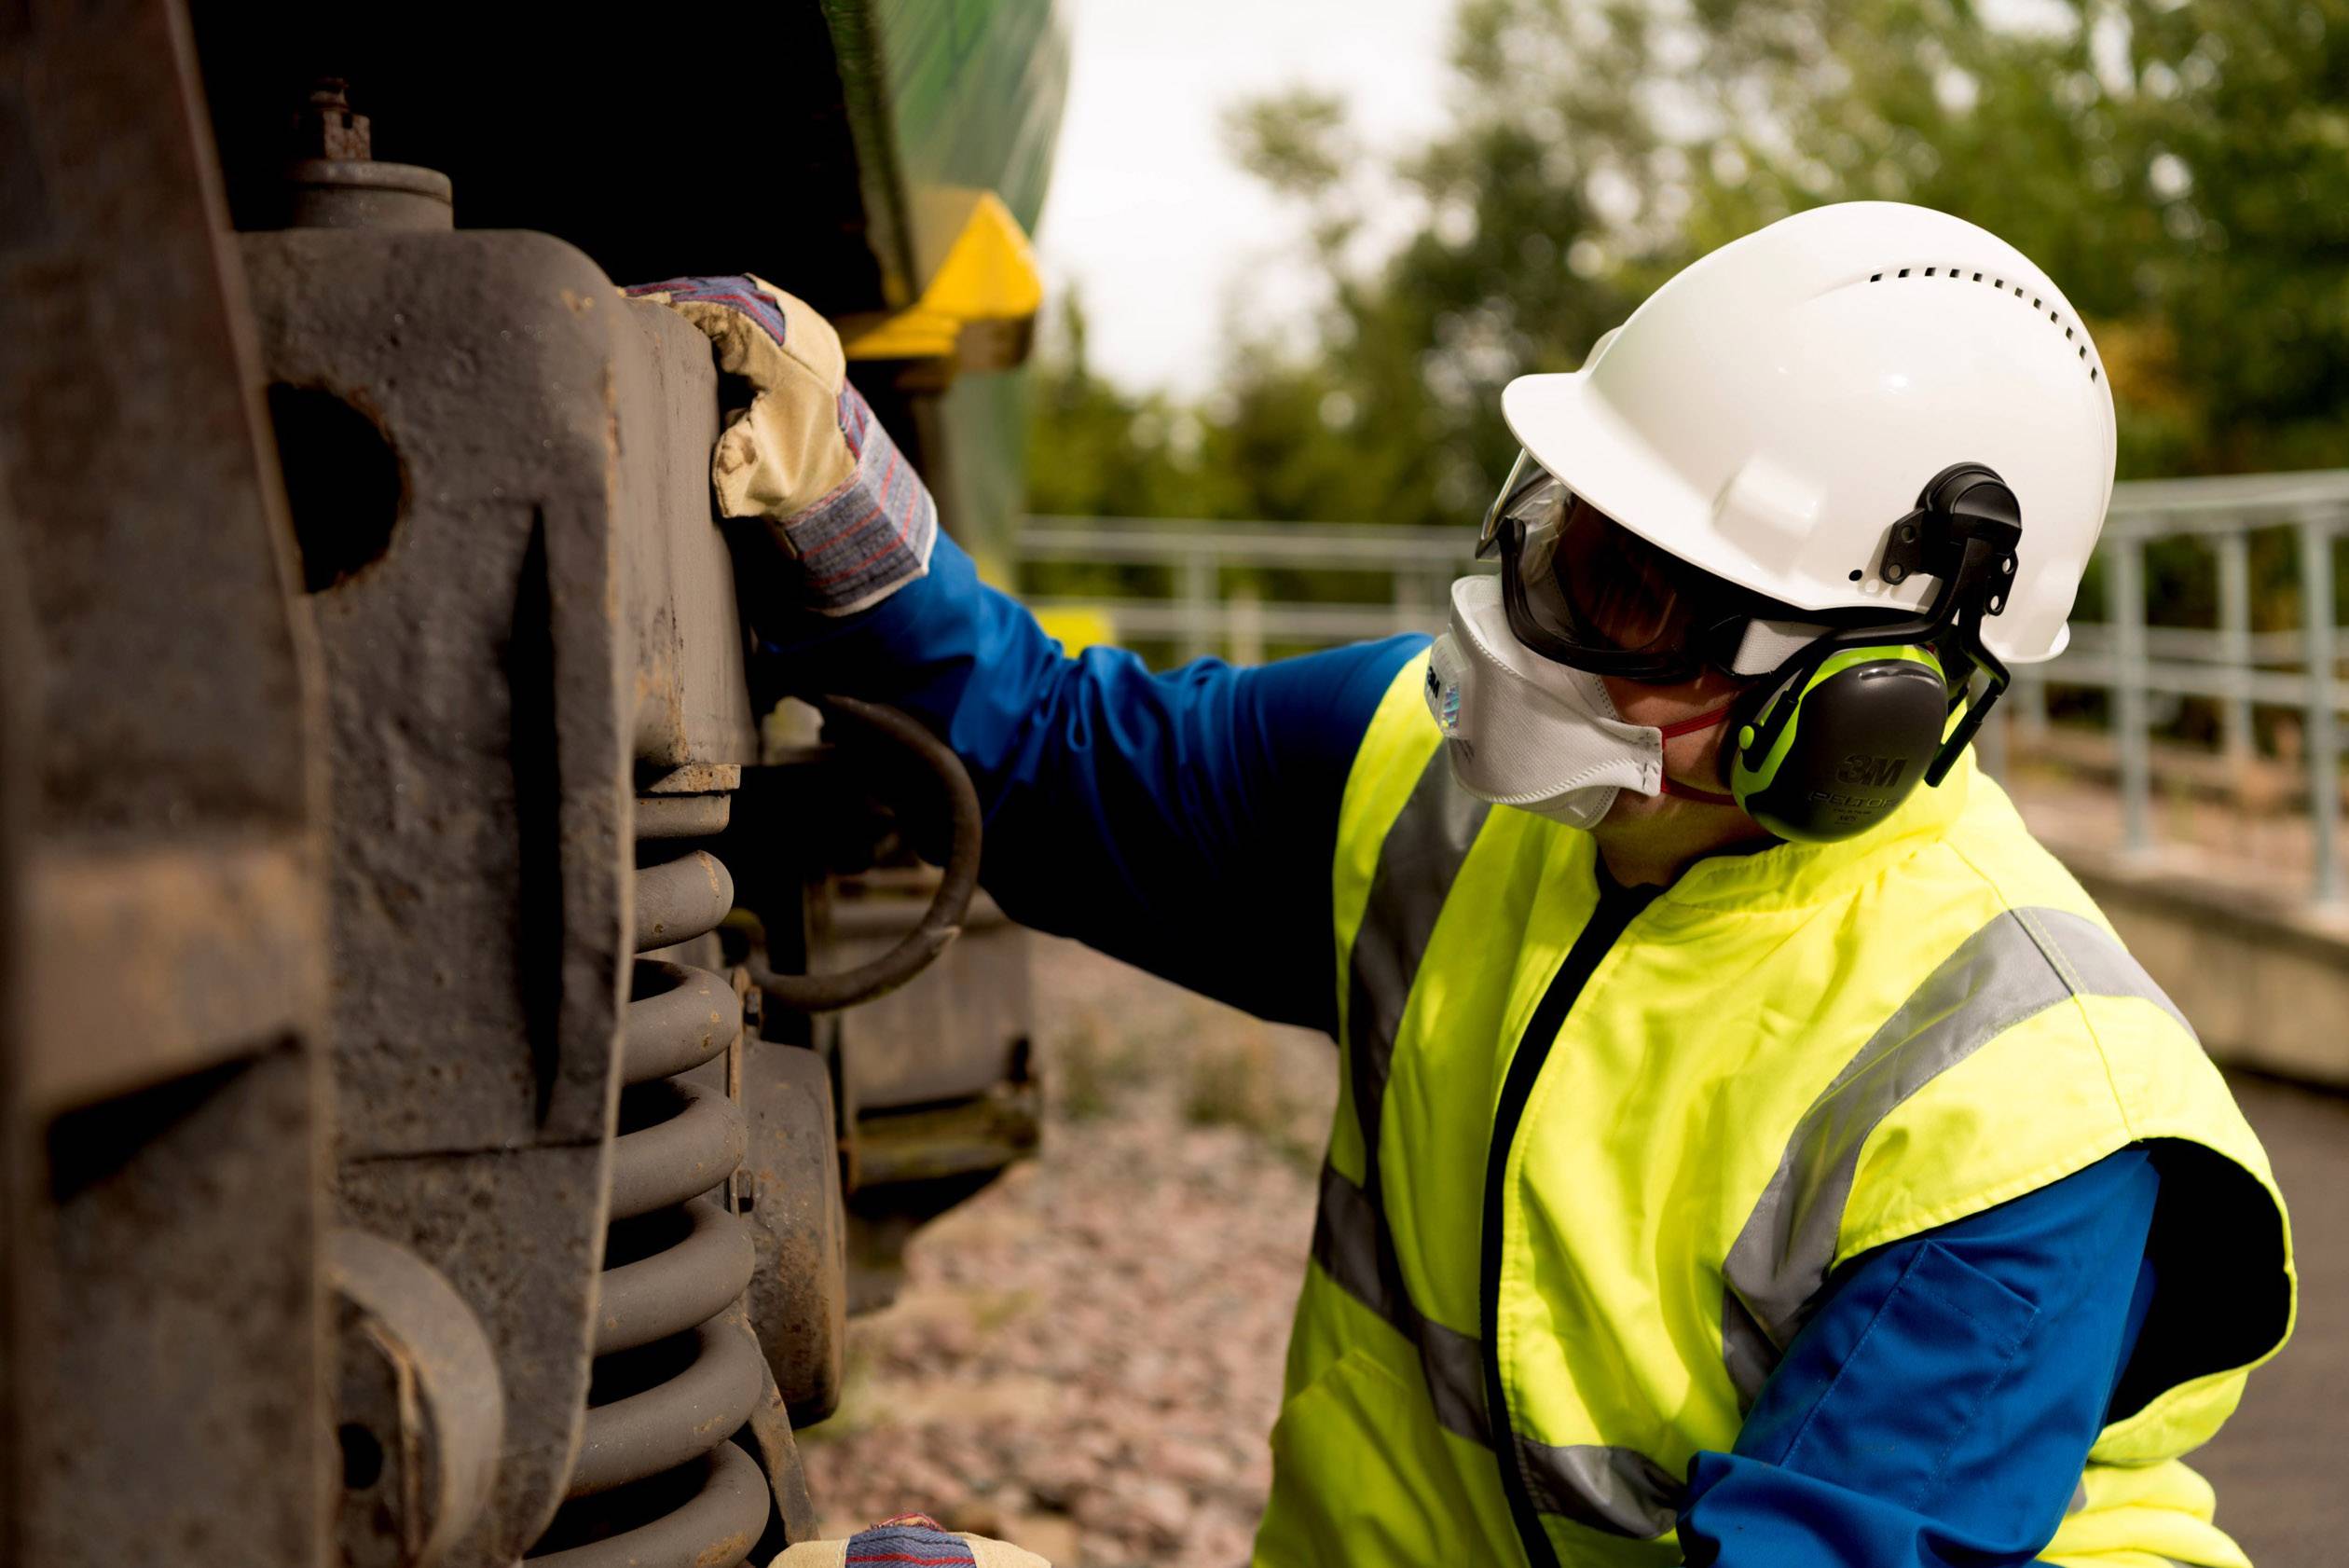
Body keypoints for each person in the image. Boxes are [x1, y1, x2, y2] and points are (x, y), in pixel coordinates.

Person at [632, 201, 2295, 1568]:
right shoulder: (1446, 785)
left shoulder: (2021, 1127)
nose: (1526, 617)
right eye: (1567, 529)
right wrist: (841, 503)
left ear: (1862, 714)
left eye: (1628, 593)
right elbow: (1070, 762)